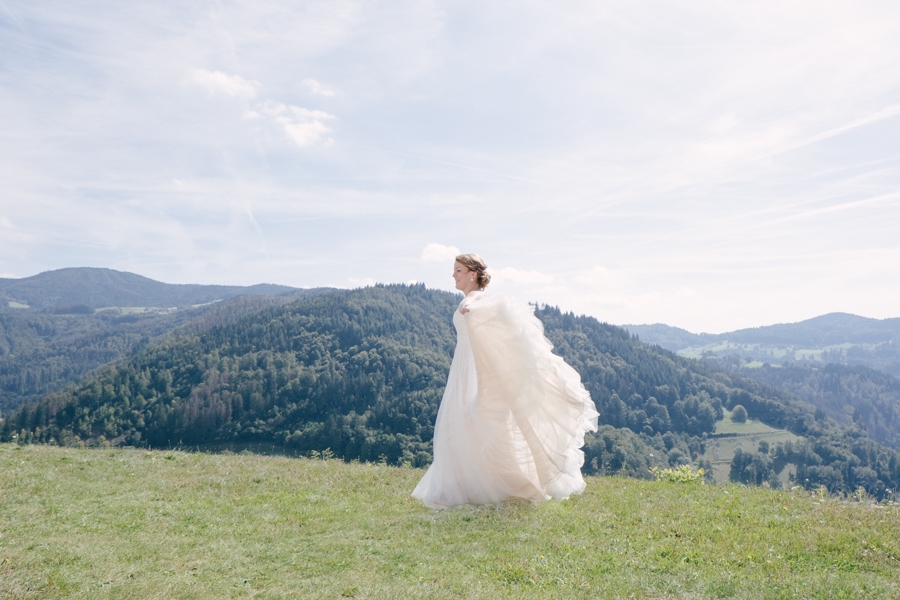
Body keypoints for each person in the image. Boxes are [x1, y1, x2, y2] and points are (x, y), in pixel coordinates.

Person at [412, 253, 599, 509]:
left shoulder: (474, 299)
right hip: (466, 365)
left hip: (473, 367)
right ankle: (477, 483)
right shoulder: (473, 299)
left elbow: (479, 307)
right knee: (469, 425)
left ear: (473, 273)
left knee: (463, 425)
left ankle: (468, 486)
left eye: (458, 270)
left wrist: (471, 308)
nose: (453, 275)